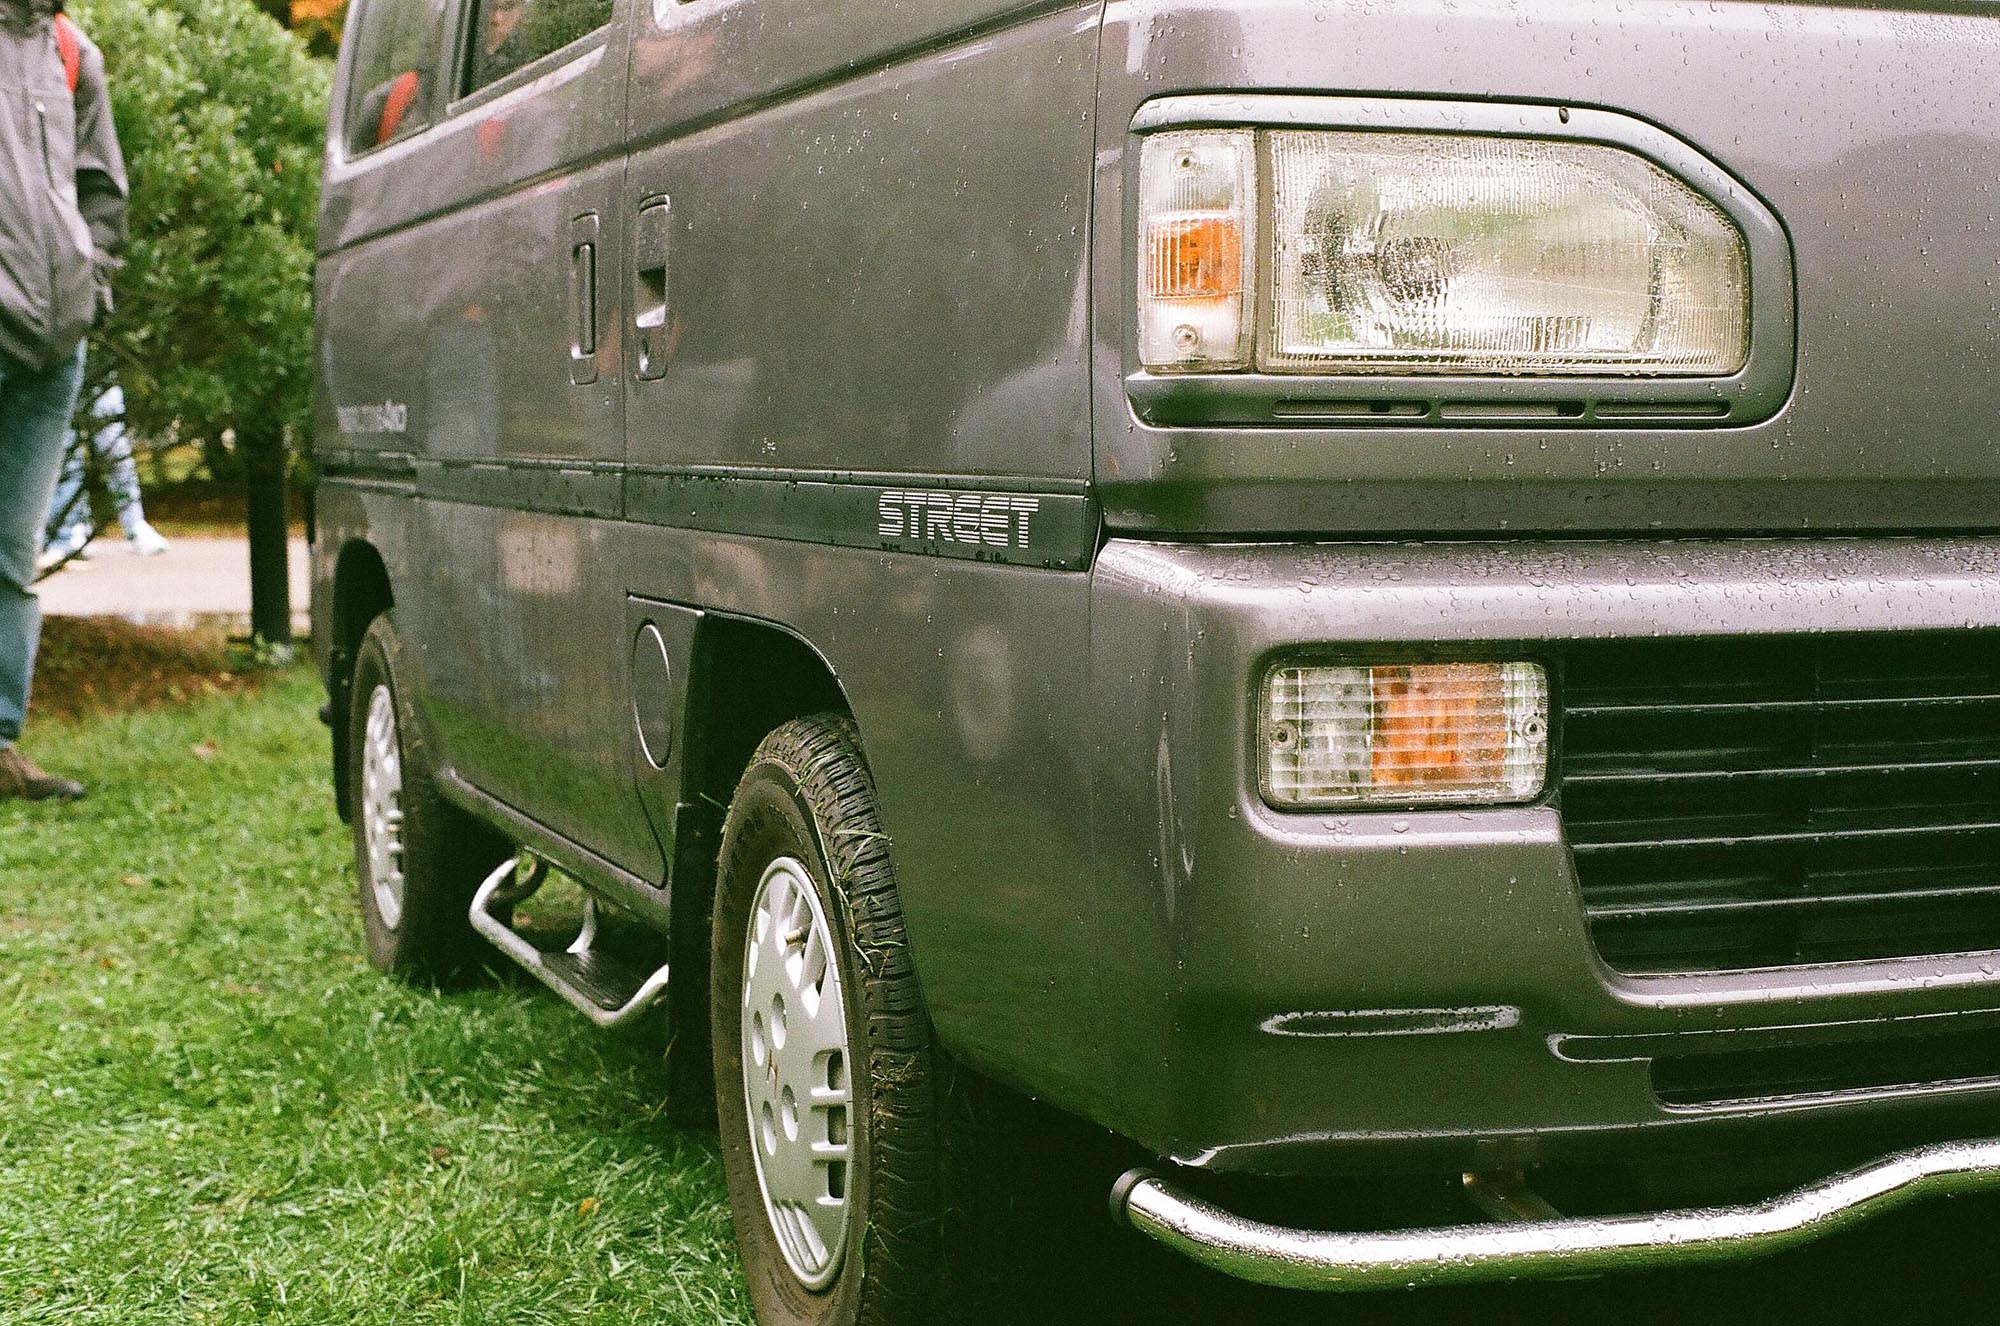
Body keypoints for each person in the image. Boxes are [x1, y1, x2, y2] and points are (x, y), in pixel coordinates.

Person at [0, 0, 127, 801]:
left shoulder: (72, 51)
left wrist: (92, 285)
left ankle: (0, 744)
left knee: (12, 554)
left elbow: (101, 189)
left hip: (52, 349)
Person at [42, 377, 171, 563]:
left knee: (115, 450)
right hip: (63, 369)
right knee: (68, 455)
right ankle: (70, 533)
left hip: (100, 373)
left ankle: (134, 525)